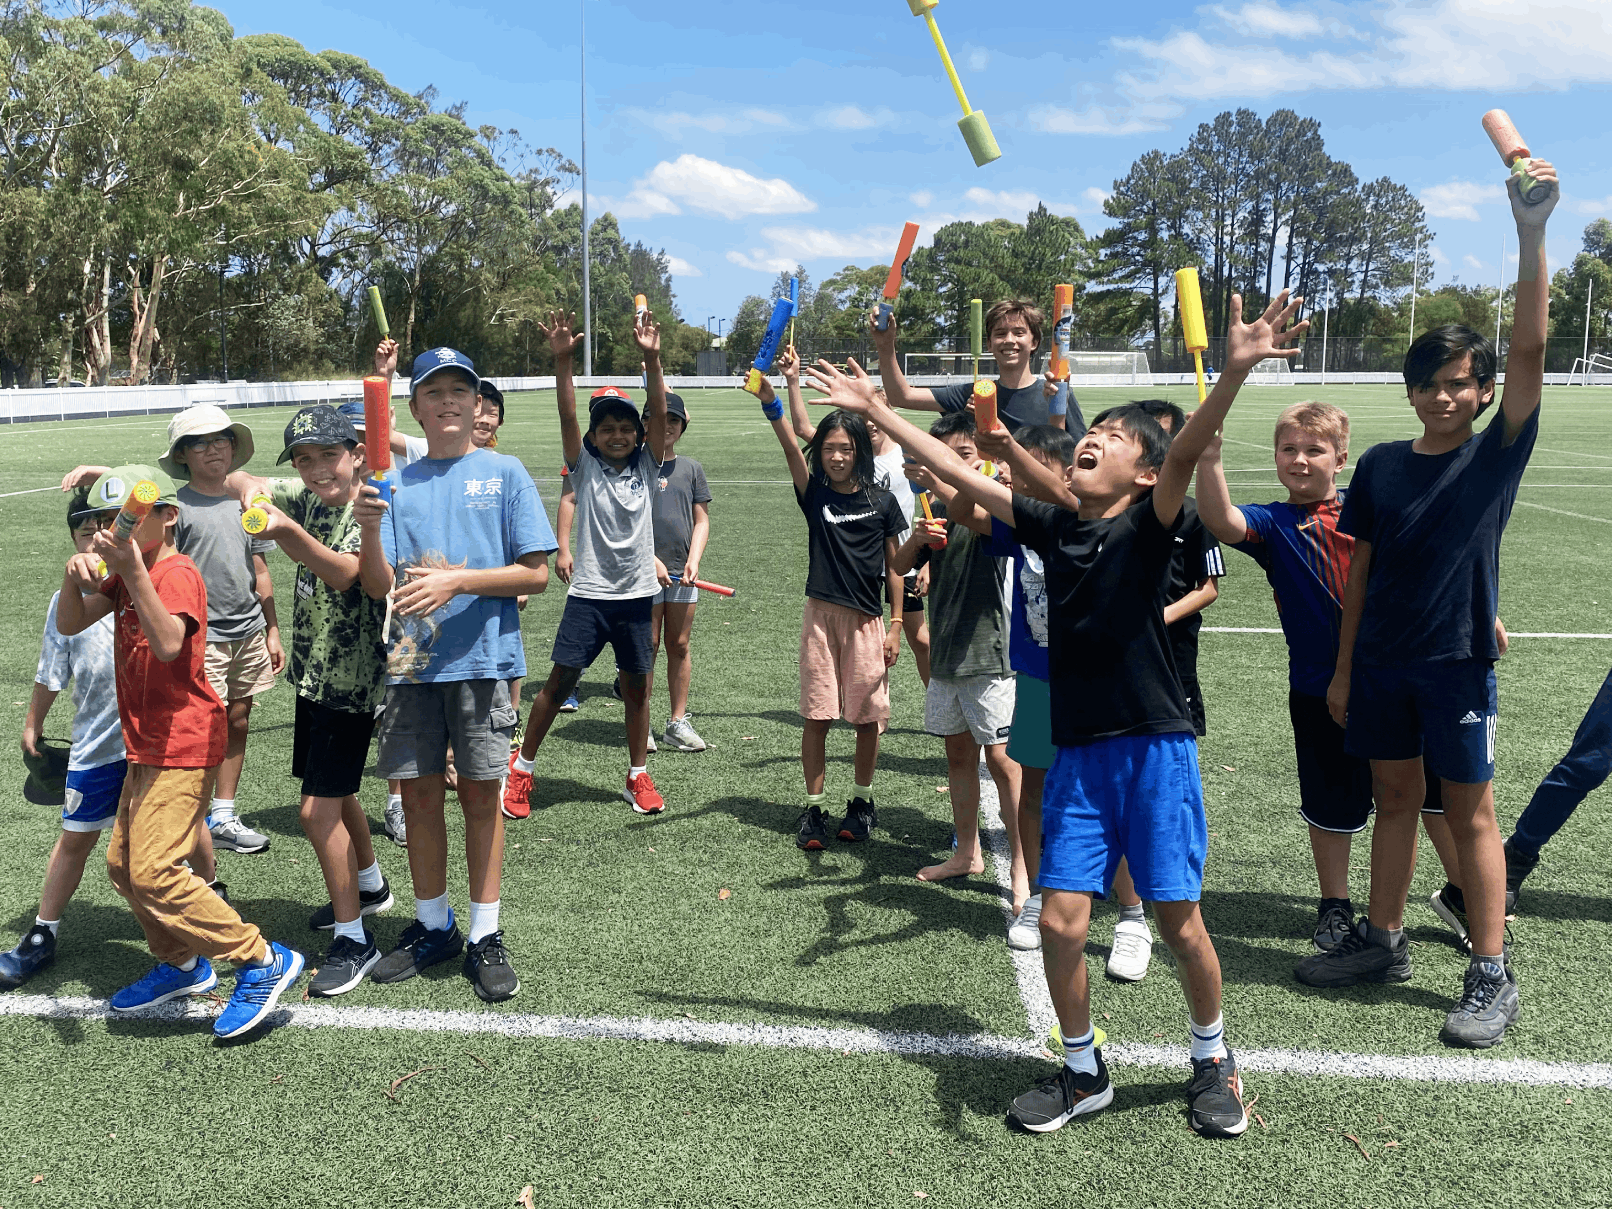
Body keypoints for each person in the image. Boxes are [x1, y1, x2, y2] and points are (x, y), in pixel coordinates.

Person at [806, 291, 1309, 1138]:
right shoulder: (1053, 527)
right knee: (1062, 922)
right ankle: (1083, 1069)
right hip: (1078, 755)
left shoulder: (1150, 525)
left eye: (1115, 436)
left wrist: (1234, 369)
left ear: (1143, 475)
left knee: (1181, 922)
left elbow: (1186, 448)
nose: (1094, 435)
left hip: (1154, 751)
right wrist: (877, 412)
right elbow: (966, 473)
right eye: (1093, 428)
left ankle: (1211, 1054)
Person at [1298, 159, 1559, 1051]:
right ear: (1410, 389)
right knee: (1394, 795)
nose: (1445, 396)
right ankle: (1383, 940)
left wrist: (1530, 233)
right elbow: (1360, 574)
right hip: (1380, 663)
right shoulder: (1378, 466)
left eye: (1460, 383)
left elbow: (1530, 352)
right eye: (1430, 382)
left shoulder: (1495, 452)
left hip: (1457, 663)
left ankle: (1489, 967)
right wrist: (1343, 669)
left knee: (1471, 811)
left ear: (1482, 392)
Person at [56, 467, 304, 1038]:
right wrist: (74, 579)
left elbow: (169, 644)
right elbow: (71, 622)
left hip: (184, 741)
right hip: (146, 742)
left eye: (125, 518)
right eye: (102, 521)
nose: (110, 531)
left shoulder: (176, 573)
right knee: (123, 866)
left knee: (155, 871)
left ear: (168, 517)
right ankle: (182, 963)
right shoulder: (130, 570)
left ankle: (261, 959)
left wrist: (129, 569)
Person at [357, 345, 554, 1004]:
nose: (447, 401)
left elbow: (536, 574)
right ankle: (433, 924)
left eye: (459, 391)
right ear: (414, 407)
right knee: (417, 799)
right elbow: (379, 586)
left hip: (483, 663)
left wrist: (458, 582)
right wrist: (368, 529)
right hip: (411, 667)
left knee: (478, 795)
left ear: (477, 406)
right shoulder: (394, 482)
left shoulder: (504, 472)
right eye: (434, 392)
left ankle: (484, 933)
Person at [227, 406, 396, 997]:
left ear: (356, 455)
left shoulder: (369, 504)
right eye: (304, 459)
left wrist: (285, 533)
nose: (318, 469)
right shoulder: (308, 495)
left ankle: (354, 940)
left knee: (315, 813)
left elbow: (348, 574)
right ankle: (369, 887)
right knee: (339, 793)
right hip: (316, 676)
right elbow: (240, 478)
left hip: (352, 682)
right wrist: (253, 492)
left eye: (329, 455)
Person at [63, 405, 284, 855]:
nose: (213, 449)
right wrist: (104, 475)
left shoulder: (245, 503)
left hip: (243, 628)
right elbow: (143, 505)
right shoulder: (176, 508)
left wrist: (272, 627)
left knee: (238, 718)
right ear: (181, 454)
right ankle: (201, 825)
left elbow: (258, 569)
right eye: (199, 443)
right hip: (197, 636)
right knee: (202, 723)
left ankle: (223, 812)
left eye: (221, 439)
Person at [502, 311, 669, 819]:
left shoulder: (648, 464)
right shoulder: (586, 468)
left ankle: (637, 774)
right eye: (607, 429)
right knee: (559, 684)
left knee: (637, 689)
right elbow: (567, 417)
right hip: (590, 597)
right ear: (594, 438)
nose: (617, 435)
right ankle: (522, 768)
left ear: (639, 435)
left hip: (638, 598)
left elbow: (659, 413)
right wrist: (563, 362)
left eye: (626, 429)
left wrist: (652, 359)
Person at [1100, 399, 1226, 984]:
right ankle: (1129, 913)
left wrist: (1154, 618)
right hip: (1109, 678)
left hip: (1170, 672)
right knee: (1114, 796)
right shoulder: (1104, 516)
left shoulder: (1192, 517)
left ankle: (1162, 909)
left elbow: (1209, 586)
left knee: (1163, 802)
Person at [754, 369, 904, 851]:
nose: (837, 457)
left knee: (866, 719)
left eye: (846, 449)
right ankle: (814, 808)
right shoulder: (814, 494)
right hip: (820, 619)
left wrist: (896, 624)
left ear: (860, 450)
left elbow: (895, 567)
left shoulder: (883, 502)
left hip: (868, 622)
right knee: (817, 716)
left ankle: (861, 802)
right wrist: (773, 402)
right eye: (828, 449)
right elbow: (788, 446)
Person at [3, 490, 135, 988]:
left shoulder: (147, 584)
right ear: (73, 542)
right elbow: (51, 666)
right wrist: (33, 722)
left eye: (108, 529)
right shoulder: (66, 600)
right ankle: (43, 932)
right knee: (76, 837)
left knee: (188, 829)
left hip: (151, 743)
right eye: (86, 533)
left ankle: (212, 891)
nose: (97, 542)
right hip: (96, 742)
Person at [888, 412, 1022, 896]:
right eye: (942, 456)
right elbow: (900, 566)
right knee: (958, 756)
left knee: (1004, 762)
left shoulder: (998, 507)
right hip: (947, 654)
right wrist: (918, 540)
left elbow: (975, 516)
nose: (949, 465)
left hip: (990, 655)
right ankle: (968, 851)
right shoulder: (940, 509)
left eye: (961, 455)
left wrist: (941, 482)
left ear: (984, 458)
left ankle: (1023, 866)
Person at [977, 425, 1079, 952]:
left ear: (1066, 475)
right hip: (1037, 680)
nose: (1018, 478)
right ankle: (1037, 893)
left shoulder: (1091, 523)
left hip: (1096, 682)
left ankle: (1131, 913)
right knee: (1033, 788)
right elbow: (966, 510)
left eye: (1029, 467)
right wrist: (967, 473)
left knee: (1105, 793)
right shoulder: (1019, 525)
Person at [782, 345, 932, 684]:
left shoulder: (908, 453)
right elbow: (802, 429)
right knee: (860, 644)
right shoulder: (848, 454)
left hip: (899, 560)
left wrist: (927, 561)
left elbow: (933, 504)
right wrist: (792, 381)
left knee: (920, 640)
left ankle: (937, 704)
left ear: (888, 414)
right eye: (863, 416)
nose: (870, 424)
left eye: (875, 415)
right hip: (860, 567)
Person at [869, 301, 1085, 433]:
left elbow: (1073, 453)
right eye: (1000, 333)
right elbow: (901, 396)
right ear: (989, 344)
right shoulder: (973, 395)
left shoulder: (1055, 393)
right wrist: (885, 346)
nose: (1009, 340)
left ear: (1034, 342)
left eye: (1019, 333)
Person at [640, 390, 712, 752]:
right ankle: (641, 722)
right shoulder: (635, 465)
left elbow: (701, 520)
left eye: (674, 420)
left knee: (679, 645)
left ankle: (677, 722)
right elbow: (626, 520)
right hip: (642, 573)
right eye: (658, 419)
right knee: (647, 645)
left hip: (682, 574)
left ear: (683, 425)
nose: (666, 426)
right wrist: (649, 559)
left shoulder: (691, 468)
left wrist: (693, 560)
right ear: (644, 424)